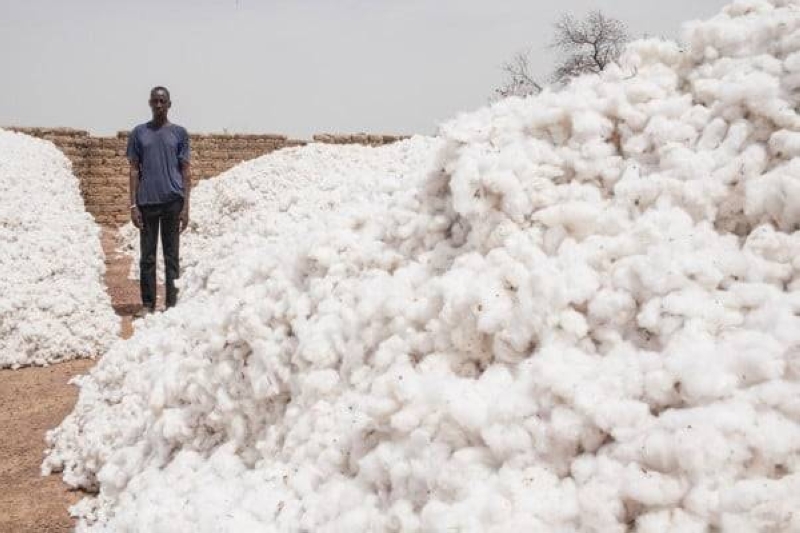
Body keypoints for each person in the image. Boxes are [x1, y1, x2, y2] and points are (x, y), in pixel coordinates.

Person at [126, 86, 192, 316]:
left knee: (172, 256)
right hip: (147, 203)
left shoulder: (179, 134)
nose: (159, 105)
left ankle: (172, 305)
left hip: (173, 201)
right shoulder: (138, 133)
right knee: (148, 257)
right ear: (149, 103)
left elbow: (185, 172)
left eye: (163, 101)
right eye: (155, 101)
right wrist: (133, 205)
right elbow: (134, 170)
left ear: (170, 104)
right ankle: (148, 304)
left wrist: (186, 207)